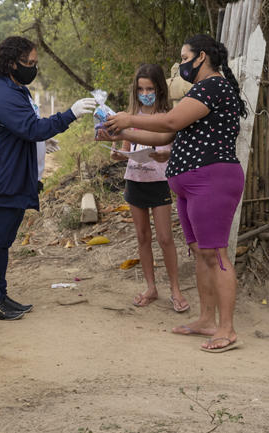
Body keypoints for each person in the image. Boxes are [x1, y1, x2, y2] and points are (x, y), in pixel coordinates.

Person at [102, 35, 248, 352]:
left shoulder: (213, 86)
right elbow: (168, 132)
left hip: (212, 179)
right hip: (191, 183)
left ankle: (227, 328)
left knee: (216, 254)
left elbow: (170, 119)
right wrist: (118, 132)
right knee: (200, 253)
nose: (180, 64)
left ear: (202, 57)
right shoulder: (200, 91)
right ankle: (206, 320)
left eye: (184, 57)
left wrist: (129, 118)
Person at [0, 36, 96, 320]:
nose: (33, 68)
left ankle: (0, 295)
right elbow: (30, 128)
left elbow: (23, 131)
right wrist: (69, 115)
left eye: (35, 63)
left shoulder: (14, 88)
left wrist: (41, 142)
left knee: (2, 241)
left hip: (10, 179)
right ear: (11, 62)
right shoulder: (2, 93)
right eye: (29, 63)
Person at [110, 64, 189, 312]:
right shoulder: (129, 117)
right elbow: (124, 149)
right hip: (135, 180)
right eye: (141, 88)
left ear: (160, 89)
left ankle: (175, 290)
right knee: (143, 236)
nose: (145, 93)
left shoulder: (168, 117)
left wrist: (168, 157)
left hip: (160, 183)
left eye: (150, 88)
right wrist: (118, 155)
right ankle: (150, 287)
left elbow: (178, 151)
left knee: (165, 238)